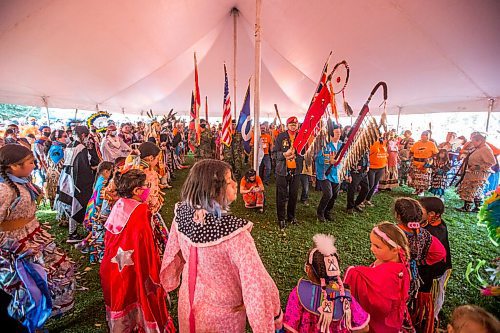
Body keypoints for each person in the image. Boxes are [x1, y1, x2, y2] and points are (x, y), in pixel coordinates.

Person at [161, 159, 282, 332]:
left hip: (189, 302)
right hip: (222, 315)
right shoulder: (235, 235)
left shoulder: (182, 215)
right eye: (229, 180)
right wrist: (273, 318)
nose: (234, 183)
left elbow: (174, 253)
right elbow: (257, 285)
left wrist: (170, 279)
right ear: (213, 189)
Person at [0, 144, 75, 332]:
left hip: (33, 237)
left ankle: (41, 317)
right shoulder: (4, 190)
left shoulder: (21, 181)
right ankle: (30, 324)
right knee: (26, 288)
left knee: (57, 274)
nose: (35, 165)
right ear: (14, 166)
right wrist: (14, 247)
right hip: (16, 248)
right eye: (30, 162)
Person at [100, 169, 175, 332]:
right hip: (133, 269)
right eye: (147, 186)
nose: (149, 189)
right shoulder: (141, 211)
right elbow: (147, 247)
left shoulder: (119, 204)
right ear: (136, 191)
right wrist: (154, 270)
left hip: (113, 267)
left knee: (123, 299)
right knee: (140, 297)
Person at [283, 234, 370, 333]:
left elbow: (290, 328)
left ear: (308, 269)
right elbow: (364, 327)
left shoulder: (298, 293)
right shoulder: (344, 296)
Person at [344, 222, 411, 333]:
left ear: (395, 250)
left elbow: (380, 305)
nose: (372, 249)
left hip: (380, 325)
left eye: (377, 246)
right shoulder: (399, 263)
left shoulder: (388, 276)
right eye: (372, 244)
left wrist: (355, 273)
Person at [393, 197, 447, 333]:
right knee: (404, 300)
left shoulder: (393, 233)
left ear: (398, 216)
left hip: (393, 274)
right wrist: (419, 261)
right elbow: (440, 253)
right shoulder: (424, 233)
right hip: (411, 276)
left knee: (392, 301)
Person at [55, 125, 99, 242]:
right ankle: (73, 233)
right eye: (87, 135)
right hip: (76, 180)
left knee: (72, 205)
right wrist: (93, 170)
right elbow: (83, 167)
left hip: (66, 176)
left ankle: (72, 232)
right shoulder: (81, 148)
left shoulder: (69, 145)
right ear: (83, 135)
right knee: (76, 204)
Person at [418, 196, 453, 328]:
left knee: (430, 298)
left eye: (420, 210)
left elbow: (435, 256)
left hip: (433, 273)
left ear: (432, 214)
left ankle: (428, 318)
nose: (418, 213)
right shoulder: (436, 223)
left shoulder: (434, 233)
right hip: (430, 269)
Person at [80, 161, 114, 263]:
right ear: (106, 171)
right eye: (111, 172)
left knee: (95, 233)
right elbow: (100, 200)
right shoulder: (102, 183)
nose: (112, 174)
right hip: (97, 211)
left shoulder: (100, 180)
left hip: (93, 209)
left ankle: (89, 249)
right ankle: (96, 255)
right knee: (97, 233)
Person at [456, 132, 496, 212]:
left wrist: (478, 167)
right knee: (473, 189)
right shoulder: (478, 148)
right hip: (472, 172)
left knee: (473, 189)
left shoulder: (486, 149)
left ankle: (469, 207)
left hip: (479, 173)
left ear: (480, 141)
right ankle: (477, 207)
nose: (472, 143)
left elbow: (492, 162)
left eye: (474, 141)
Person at [275, 116, 302, 229]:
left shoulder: (301, 137)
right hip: (283, 170)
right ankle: (281, 218)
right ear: (287, 125)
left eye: (295, 124)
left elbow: (304, 152)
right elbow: (274, 154)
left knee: (293, 195)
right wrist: (284, 155)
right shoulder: (281, 136)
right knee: (281, 195)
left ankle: (291, 216)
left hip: (296, 171)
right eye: (291, 124)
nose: (293, 126)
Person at [315, 122, 343, 222]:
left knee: (335, 195)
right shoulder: (324, 145)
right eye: (336, 132)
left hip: (336, 174)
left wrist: (346, 173)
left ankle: (327, 212)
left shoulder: (342, 145)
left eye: (340, 132)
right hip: (324, 173)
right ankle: (320, 212)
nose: (339, 134)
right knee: (328, 194)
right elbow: (317, 158)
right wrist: (329, 161)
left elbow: (344, 159)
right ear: (331, 134)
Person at [409, 131, 438, 195]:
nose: (423, 136)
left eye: (425, 135)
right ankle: (416, 189)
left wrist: (430, 159)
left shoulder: (431, 144)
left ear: (428, 136)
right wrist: (410, 157)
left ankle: (421, 190)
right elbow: (411, 151)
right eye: (422, 135)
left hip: (425, 164)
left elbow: (436, 154)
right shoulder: (416, 143)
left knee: (423, 178)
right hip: (416, 162)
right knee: (416, 177)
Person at [365, 137, 387, 206]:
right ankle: (362, 199)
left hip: (381, 167)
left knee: (375, 184)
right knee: (370, 184)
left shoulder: (383, 143)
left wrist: (386, 167)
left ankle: (368, 199)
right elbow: (366, 155)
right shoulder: (370, 143)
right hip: (372, 167)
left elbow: (386, 155)